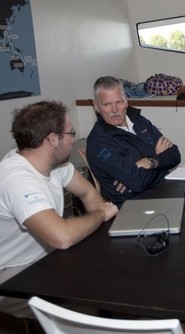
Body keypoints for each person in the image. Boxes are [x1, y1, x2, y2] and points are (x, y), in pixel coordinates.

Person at [0, 101, 118, 318]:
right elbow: (62, 237)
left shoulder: (56, 165)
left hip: (48, 259)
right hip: (11, 274)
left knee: (111, 275)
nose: (73, 138)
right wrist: (101, 214)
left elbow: (88, 194)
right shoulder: (16, 179)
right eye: (70, 133)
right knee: (93, 291)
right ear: (53, 139)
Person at [87, 76, 181, 206]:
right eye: (107, 104)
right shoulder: (98, 142)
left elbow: (175, 155)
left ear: (126, 101)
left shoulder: (139, 121)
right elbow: (137, 183)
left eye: (119, 102)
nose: (114, 110)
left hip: (163, 191)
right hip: (133, 206)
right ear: (96, 106)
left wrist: (148, 162)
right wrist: (159, 160)